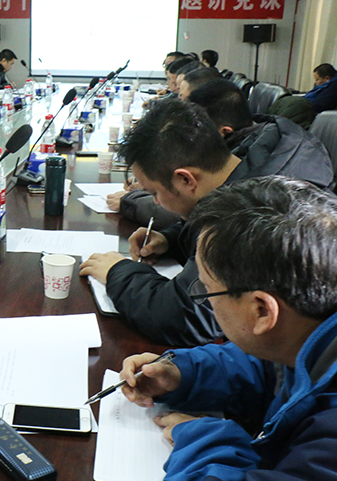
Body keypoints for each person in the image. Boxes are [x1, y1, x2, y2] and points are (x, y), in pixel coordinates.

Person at [119, 176, 337, 481]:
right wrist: (183, 373)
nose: (205, 299)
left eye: (206, 289)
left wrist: (207, 440)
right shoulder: (306, 331)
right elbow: (268, 367)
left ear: (262, 311)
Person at [78, 98, 330, 347]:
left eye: (154, 192)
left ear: (185, 180)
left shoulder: (252, 218)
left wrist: (117, 272)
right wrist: (171, 239)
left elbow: (182, 318)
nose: (154, 202)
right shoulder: (250, 159)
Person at [112, 80, 332, 229]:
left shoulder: (253, 209)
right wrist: (171, 240)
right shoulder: (259, 145)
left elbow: (188, 288)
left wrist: (116, 270)